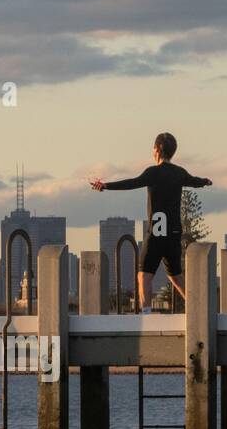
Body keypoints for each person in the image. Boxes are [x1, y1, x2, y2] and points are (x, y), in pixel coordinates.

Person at [90, 132, 212, 311]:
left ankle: (146, 315)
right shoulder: (179, 173)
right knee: (176, 276)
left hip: (156, 233)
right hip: (174, 234)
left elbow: (132, 183)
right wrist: (205, 181)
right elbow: (194, 181)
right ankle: (199, 309)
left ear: (157, 150)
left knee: (144, 276)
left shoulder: (153, 173)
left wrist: (107, 186)